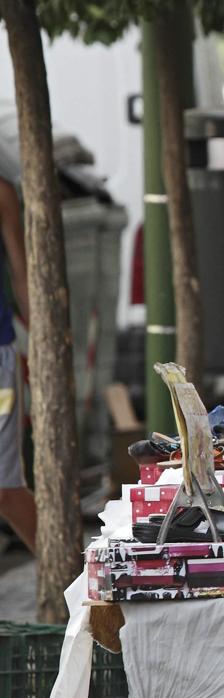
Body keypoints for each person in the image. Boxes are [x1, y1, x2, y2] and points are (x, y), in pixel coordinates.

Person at [0, 177, 32, 552]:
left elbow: (24, 275)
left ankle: (77, 587)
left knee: (5, 489)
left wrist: (41, 350)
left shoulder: (2, 193)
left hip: (1, 357)